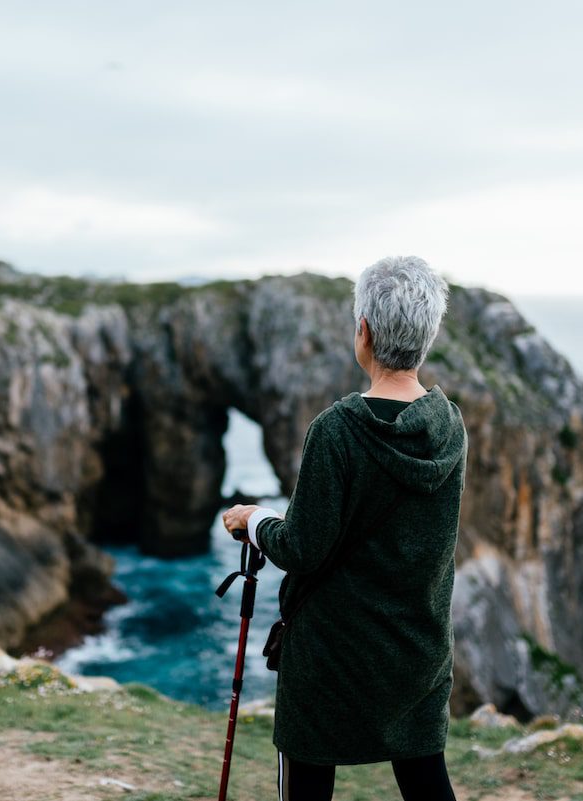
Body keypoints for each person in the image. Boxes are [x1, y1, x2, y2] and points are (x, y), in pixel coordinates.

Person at [222, 255, 467, 801]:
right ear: (426, 337)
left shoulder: (337, 431)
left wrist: (255, 519)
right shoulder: (449, 429)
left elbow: (304, 548)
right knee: (427, 785)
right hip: (416, 653)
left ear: (364, 332)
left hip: (331, 660)